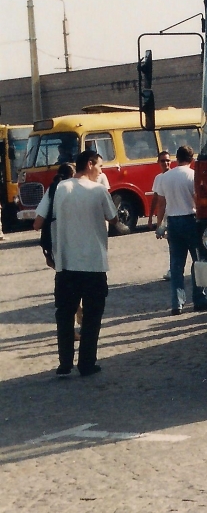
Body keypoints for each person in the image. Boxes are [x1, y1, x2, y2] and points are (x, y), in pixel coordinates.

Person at [32, 149, 117, 377]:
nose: (101, 170)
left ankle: (64, 363)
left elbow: (37, 222)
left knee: (65, 315)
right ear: (89, 164)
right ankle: (86, 363)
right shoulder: (99, 190)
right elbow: (114, 218)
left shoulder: (58, 188)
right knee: (92, 316)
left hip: (65, 264)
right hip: (94, 263)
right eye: (100, 166)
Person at [153, 145, 207, 314]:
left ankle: (177, 303)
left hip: (173, 221)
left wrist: (160, 225)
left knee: (176, 264)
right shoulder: (192, 175)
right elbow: (198, 200)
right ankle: (199, 299)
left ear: (176, 158)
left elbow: (161, 204)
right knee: (197, 261)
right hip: (191, 220)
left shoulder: (166, 177)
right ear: (192, 159)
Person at [149, 150, 173, 281]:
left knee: (174, 243)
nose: (166, 163)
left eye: (168, 160)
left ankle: (174, 269)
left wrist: (160, 225)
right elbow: (156, 199)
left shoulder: (172, 176)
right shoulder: (158, 178)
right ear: (158, 162)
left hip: (173, 214)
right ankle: (173, 268)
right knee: (171, 243)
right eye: (163, 160)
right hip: (165, 216)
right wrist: (151, 218)